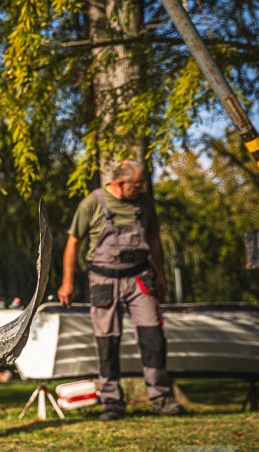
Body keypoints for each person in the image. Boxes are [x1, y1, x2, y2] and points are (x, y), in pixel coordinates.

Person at [57, 159, 184, 421]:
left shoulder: (144, 202)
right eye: (137, 186)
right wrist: (67, 282)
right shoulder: (92, 203)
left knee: (153, 338)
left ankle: (161, 397)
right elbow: (73, 243)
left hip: (140, 277)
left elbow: (154, 240)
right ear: (120, 183)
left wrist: (161, 275)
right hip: (103, 279)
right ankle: (112, 402)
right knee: (107, 341)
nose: (141, 190)